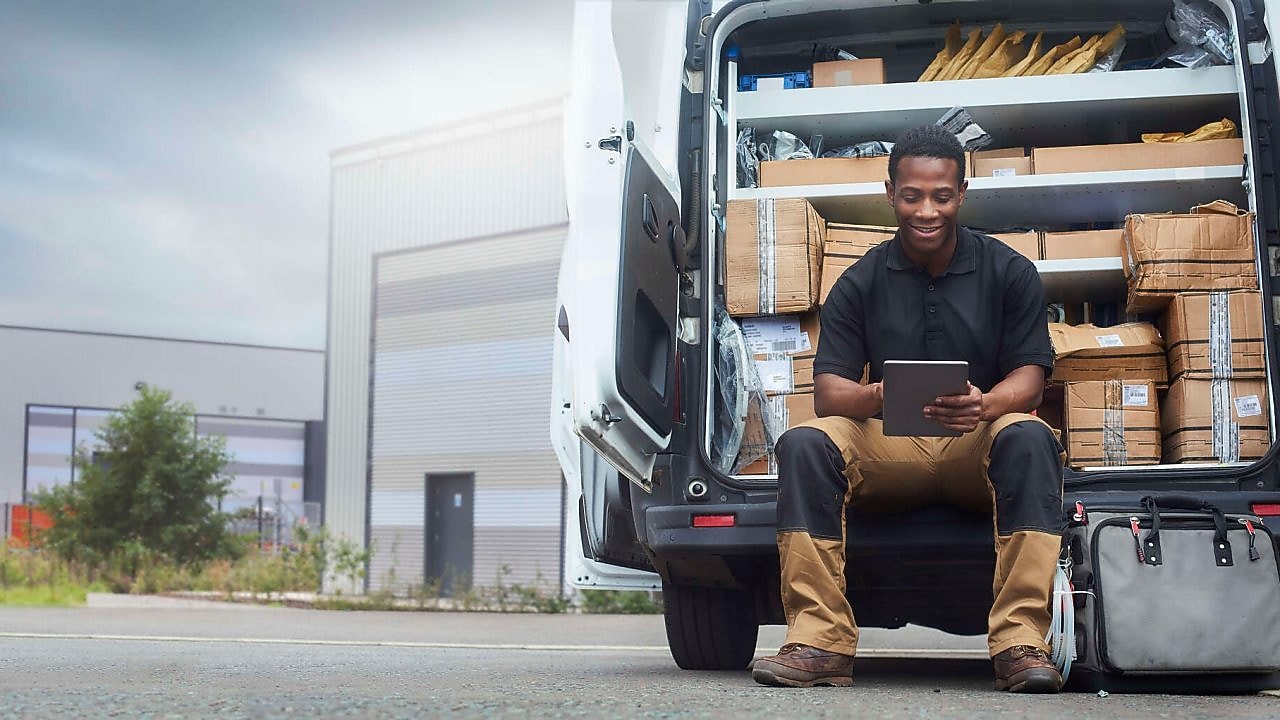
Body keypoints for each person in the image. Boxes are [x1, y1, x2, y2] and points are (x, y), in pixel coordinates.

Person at [751, 124, 1066, 693]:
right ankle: (820, 642)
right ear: (890, 192)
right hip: (889, 446)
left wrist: (986, 404)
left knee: (1029, 435)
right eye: (912, 196)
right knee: (805, 442)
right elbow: (829, 392)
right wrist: (880, 395)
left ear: (961, 192)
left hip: (976, 443)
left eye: (941, 196)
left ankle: (1021, 643)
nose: (927, 211)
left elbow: (1031, 378)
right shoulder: (860, 280)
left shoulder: (1009, 271)